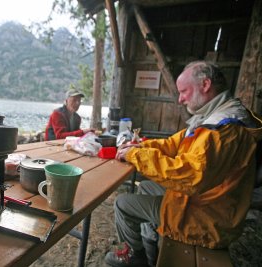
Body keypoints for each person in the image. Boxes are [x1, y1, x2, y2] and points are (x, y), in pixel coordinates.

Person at [104, 61, 262, 267]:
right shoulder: (214, 117)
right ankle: (151, 244)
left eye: (184, 91)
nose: (180, 99)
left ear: (205, 85)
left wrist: (136, 156)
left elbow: (190, 176)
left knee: (122, 203)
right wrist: (140, 146)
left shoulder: (222, 130)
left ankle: (136, 257)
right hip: (208, 202)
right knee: (145, 186)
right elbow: (172, 144)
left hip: (206, 218)